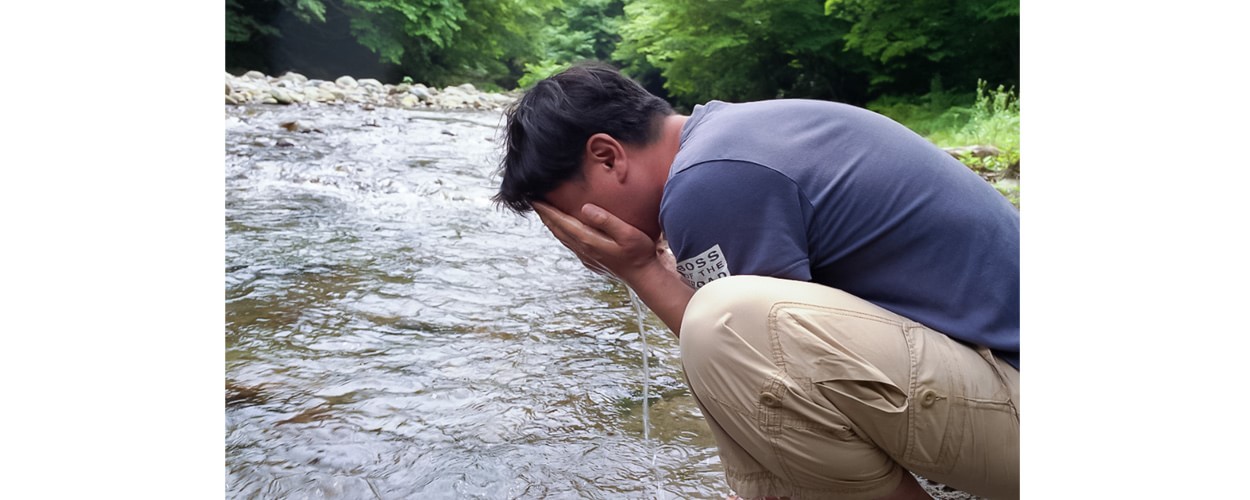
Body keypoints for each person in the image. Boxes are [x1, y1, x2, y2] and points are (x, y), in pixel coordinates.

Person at [493, 62, 1019, 500]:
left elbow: (747, 352)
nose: (580, 239)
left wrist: (641, 269)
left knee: (724, 323)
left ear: (607, 156)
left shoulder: (707, 180)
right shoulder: (731, 139)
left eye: (571, 218)